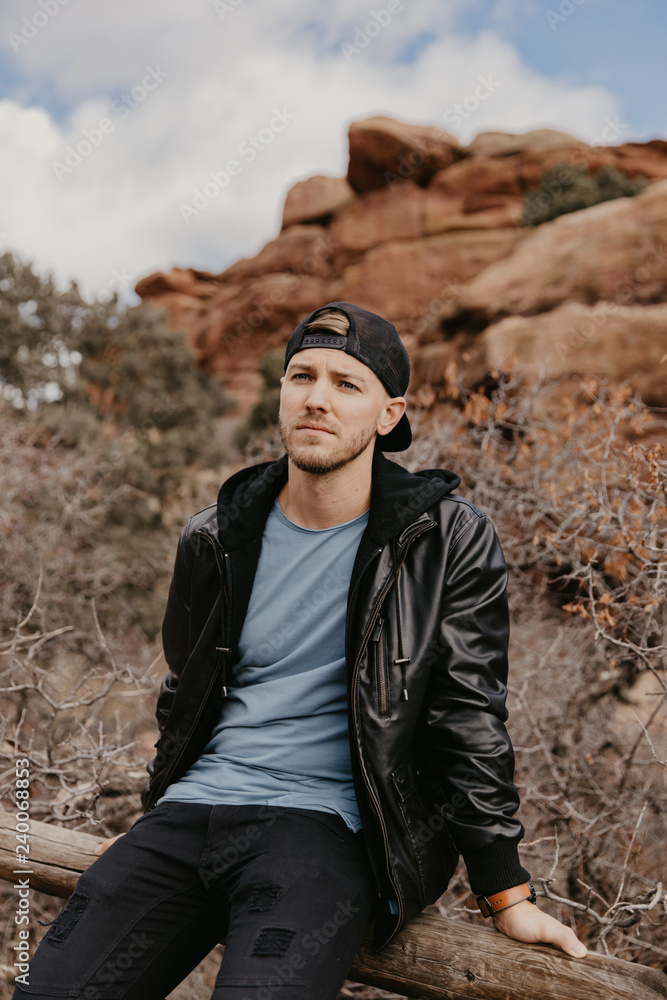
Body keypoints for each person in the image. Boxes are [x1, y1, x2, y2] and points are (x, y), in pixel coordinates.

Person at [15, 302, 586, 1000]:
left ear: (388, 414)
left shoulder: (443, 540)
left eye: (347, 384)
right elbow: (184, 691)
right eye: (300, 376)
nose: (316, 398)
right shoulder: (215, 535)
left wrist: (505, 892)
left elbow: (466, 716)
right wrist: (154, 819)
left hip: (328, 829)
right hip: (192, 815)